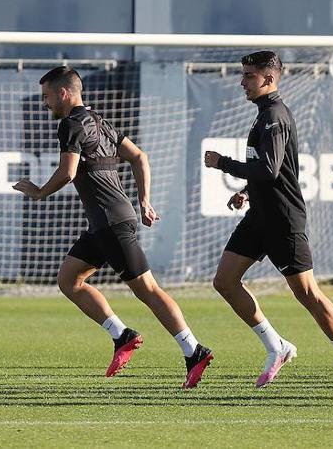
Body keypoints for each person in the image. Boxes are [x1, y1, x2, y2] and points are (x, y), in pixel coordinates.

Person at [14, 66, 212, 388]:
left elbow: (67, 172)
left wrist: (38, 192)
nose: (45, 103)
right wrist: (144, 201)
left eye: (47, 97)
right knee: (69, 280)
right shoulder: (99, 122)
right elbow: (139, 157)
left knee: (148, 291)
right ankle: (122, 336)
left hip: (112, 223)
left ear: (64, 93)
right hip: (105, 224)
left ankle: (194, 351)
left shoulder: (71, 125)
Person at [204, 51, 333, 393]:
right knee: (224, 281)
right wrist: (247, 192)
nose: (242, 81)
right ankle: (276, 346)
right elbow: (267, 171)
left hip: (283, 219)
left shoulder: (275, 116)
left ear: (268, 79)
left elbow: (269, 168)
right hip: (259, 217)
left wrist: (224, 164)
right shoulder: (264, 114)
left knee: (307, 293)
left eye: (249, 76)